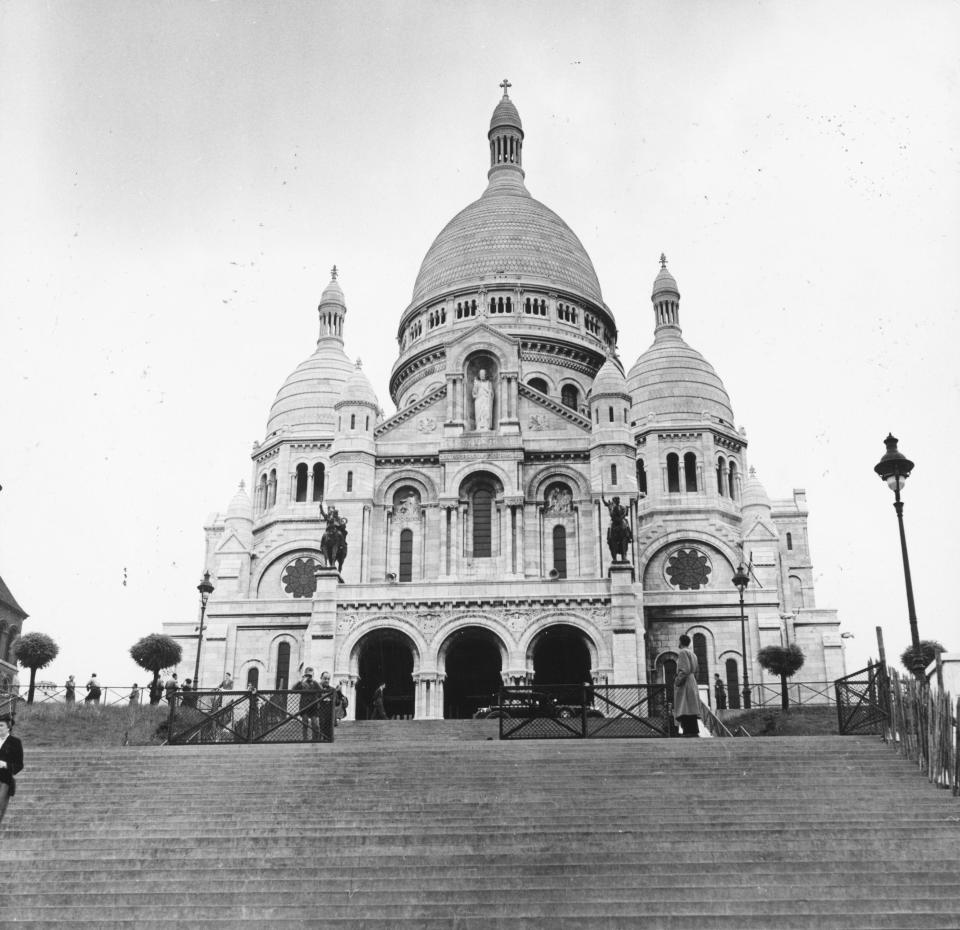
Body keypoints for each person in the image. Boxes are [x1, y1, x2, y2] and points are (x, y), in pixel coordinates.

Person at [673, 634, 700, 737]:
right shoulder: (693, 654)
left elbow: (685, 669)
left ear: (681, 642)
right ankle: (693, 730)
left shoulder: (683, 652)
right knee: (690, 706)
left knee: (685, 707)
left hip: (685, 682)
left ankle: (688, 731)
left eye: (679, 641)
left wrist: (677, 681)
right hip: (692, 681)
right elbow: (695, 669)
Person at [0, 715, 23, 825]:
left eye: (1, 725)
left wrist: (5, 764)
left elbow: (19, 765)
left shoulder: (15, 742)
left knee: (0, 807)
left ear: (8, 727)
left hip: (4, 780)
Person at [292, 668, 322, 741]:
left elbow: (321, 690)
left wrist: (314, 681)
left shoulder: (315, 683)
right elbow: (293, 689)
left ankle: (315, 739)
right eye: (307, 675)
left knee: (315, 724)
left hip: (313, 706)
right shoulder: (302, 683)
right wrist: (300, 681)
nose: (309, 677)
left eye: (310, 675)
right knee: (305, 723)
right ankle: (305, 739)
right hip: (304, 706)